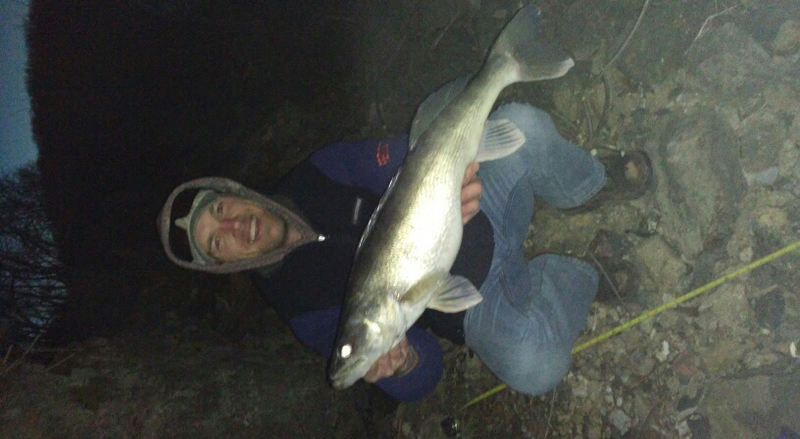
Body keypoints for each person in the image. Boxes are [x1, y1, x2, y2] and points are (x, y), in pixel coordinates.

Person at [157, 102, 653, 402]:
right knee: (537, 366)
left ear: (234, 192)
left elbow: (407, 152)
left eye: (220, 208)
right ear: (226, 264)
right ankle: (578, 275)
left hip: (486, 205)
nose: (234, 226)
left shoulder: (317, 173)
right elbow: (427, 373)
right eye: (217, 241)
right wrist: (403, 365)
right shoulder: (301, 311)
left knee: (524, 124)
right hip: (474, 302)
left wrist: (451, 170)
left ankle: (589, 187)